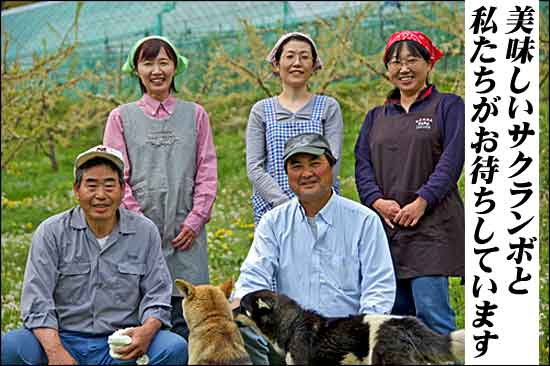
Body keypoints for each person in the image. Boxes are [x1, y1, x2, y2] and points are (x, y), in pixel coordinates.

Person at [1, 145, 187, 365]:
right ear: (76, 190)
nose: (100, 195)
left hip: (120, 342)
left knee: (173, 348)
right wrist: (55, 352)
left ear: (122, 189)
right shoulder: (51, 232)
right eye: (91, 185)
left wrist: (146, 332)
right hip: (62, 338)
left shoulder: (144, 232)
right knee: (11, 346)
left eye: (109, 185)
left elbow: (157, 295)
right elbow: (37, 300)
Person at [233, 133, 396, 364]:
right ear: (287, 174)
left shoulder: (364, 221)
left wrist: (360, 338)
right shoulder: (273, 222)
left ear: (331, 166)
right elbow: (254, 274)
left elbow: (378, 286)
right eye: (296, 166)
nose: (306, 173)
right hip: (291, 341)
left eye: (315, 163)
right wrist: (238, 303)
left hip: (348, 343)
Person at [103, 35, 217, 340]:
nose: (157, 70)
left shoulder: (195, 115)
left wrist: (196, 219)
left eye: (164, 62)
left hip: (185, 233)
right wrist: (139, 222)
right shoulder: (121, 118)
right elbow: (115, 175)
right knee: (139, 311)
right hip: (134, 232)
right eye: (148, 62)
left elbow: (207, 171)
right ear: (136, 69)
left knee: (186, 315)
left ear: (175, 67)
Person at [354, 30, 465, 335]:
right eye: (395, 61)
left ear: (429, 64)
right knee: (396, 323)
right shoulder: (375, 117)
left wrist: (422, 201)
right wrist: (377, 201)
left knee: (434, 317)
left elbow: (452, 161)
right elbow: (362, 165)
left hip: (432, 228)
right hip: (388, 232)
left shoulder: (448, 106)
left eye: (412, 59)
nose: (403, 68)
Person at [247, 32, 343, 224]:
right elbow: (254, 168)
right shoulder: (261, 111)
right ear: (277, 64)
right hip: (273, 209)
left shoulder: (328, 107)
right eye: (290, 56)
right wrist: (284, 204)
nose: (297, 63)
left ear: (314, 65)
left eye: (305, 57)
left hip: (321, 206)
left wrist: (311, 202)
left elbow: (333, 160)